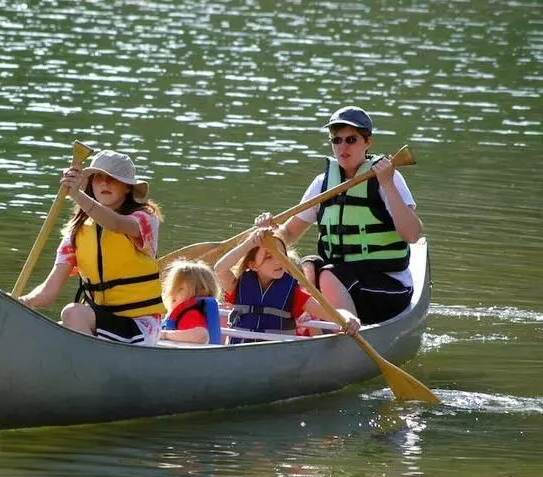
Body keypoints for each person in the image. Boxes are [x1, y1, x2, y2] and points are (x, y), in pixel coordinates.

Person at [255, 105, 422, 324]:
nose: (343, 146)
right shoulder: (322, 184)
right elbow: (289, 234)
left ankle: (345, 331)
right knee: (308, 266)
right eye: (337, 140)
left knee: (329, 274)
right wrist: (269, 232)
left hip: (387, 289)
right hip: (342, 281)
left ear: (367, 142)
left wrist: (387, 183)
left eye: (351, 139)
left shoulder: (388, 178)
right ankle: (303, 327)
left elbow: (413, 234)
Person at [18, 149, 164, 345]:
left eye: (112, 178)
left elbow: (115, 224)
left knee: (72, 312)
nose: (104, 183)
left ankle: (91, 368)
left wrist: (76, 195)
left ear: (127, 187)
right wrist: (23, 302)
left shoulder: (144, 220)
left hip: (140, 326)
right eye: (98, 177)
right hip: (101, 322)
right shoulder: (76, 232)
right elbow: (48, 292)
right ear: (91, 184)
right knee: (60, 327)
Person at [214, 230, 360, 343]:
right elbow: (219, 269)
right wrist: (250, 243)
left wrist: (347, 317)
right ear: (252, 265)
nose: (278, 262)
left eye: (281, 255)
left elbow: (330, 313)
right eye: (269, 257)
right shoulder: (238, 286)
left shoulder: (293, 292)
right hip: (239, 350)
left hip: (276, 355)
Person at [160, 259, 222, 344]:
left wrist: (164, 335)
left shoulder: (190, 314)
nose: (172, 293)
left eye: (180, 289)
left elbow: (202, 336)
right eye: (172, 288)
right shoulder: (185, 312)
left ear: (201, 291)